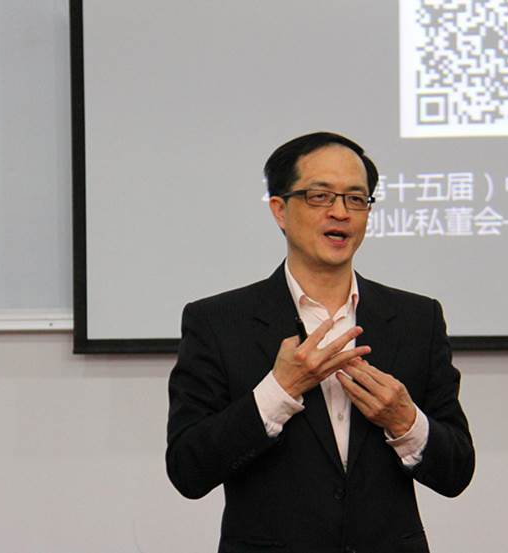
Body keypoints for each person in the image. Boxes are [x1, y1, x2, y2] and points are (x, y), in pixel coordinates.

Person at [166, 132, 474, 553]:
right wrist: (279, 391)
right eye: (320, 196)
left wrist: (405, 421)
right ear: (280, 210)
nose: (340, 212)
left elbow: (457, 472)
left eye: (356, 199)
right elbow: (188, 470)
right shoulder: (219, 322)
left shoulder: (416, 319)